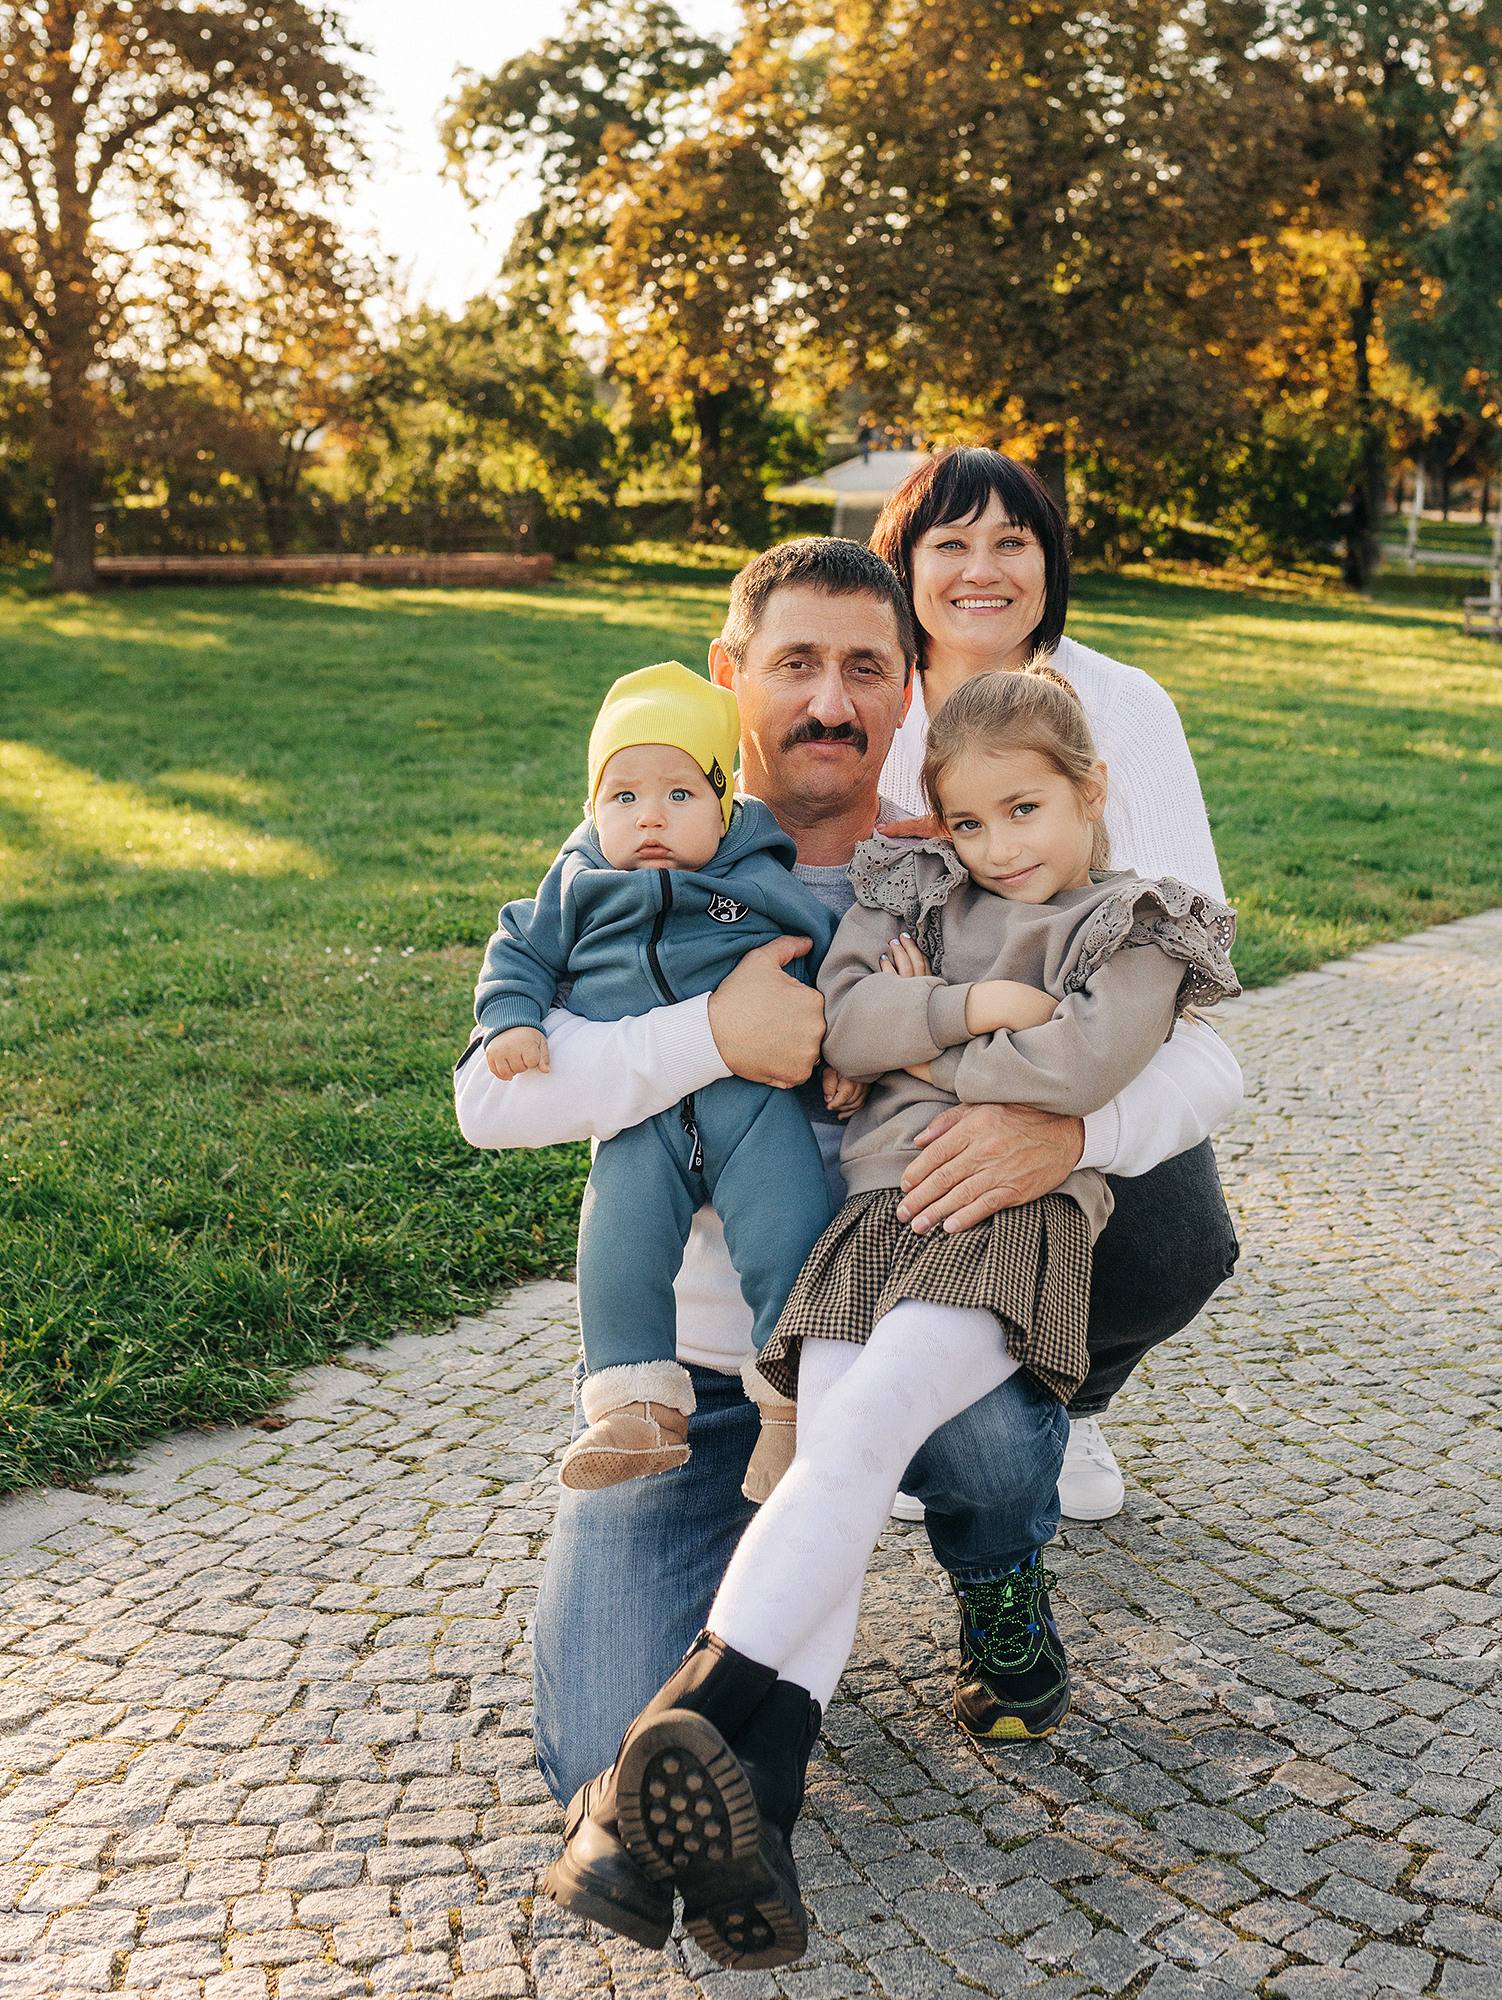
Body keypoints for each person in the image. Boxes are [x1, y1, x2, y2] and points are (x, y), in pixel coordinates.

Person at [453, 533, 1240, 1941]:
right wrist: (712, 1033)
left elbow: (1202, 1061)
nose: (830, 700)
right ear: (729, 674)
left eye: (865, 667)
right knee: (591, 1749)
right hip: (705, 1377)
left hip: (906, 1294)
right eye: (796, 663)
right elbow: (486, 1101)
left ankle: (995, 1568)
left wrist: (1068, 1135)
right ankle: (721, 1822)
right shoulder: (645, 841)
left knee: (972, 1431)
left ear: (907, 687)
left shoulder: (952, 864)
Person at [870, 444, 1239, 1521]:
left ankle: (1064, 1399)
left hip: (1079, 1038)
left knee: (1177, 1244)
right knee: (898, 1202)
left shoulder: (1122, 705)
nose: (981, 569)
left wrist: (1066, 1126)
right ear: (904, 564)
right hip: (907, 1045)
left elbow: (1176, 963)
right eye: (950, 543)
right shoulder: (871, 704)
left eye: (1011, 541)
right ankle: (917, 1411)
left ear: (1049, 561)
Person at [463, 659, 848, 1493]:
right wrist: (514, 1019)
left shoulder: (756, 876)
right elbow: (518, 950)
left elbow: (825, 963)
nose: (650, 817)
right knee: (617, 1246)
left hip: (755, 1106)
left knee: (790, 1231)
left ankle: (792, 1413)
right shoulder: (577, 884)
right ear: (592, 808)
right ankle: (635, 1408)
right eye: (623, 796)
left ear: (724, 802)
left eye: (679, 794)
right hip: (642, 1124)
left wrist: (842, 1057)